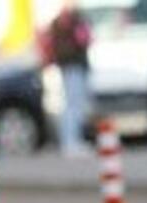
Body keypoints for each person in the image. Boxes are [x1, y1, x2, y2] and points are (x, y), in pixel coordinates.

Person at [42, 1, 91, 157]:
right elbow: (84, 40)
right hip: (72, 66)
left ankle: (71, 141)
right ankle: (71, 142)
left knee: (72, 104)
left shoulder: (60, 21)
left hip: (68, 66)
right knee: (73, 105)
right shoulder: (70, 20)